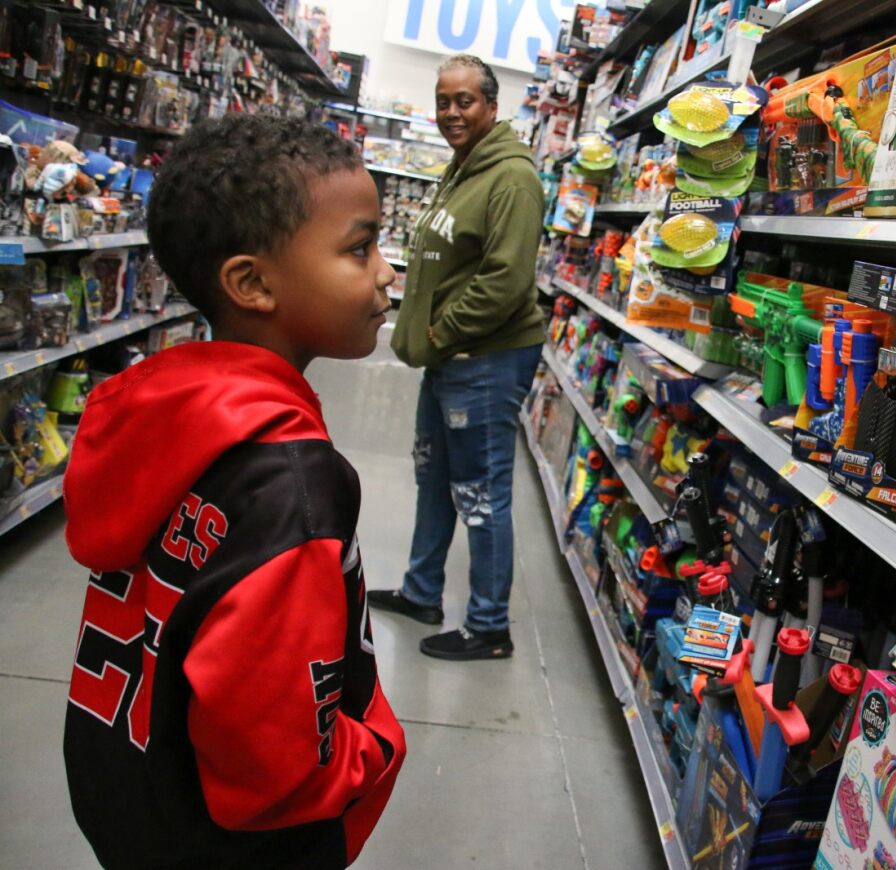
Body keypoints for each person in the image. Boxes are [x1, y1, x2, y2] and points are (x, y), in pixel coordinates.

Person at [62, 113, 405, 868]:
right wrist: (374, 745)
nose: (386, 271)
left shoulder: (163, 426)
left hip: (137, 798)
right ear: (252, 282)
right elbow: (274, 771)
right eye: (359, 247)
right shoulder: (293, 487)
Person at [373, 54, 546, 661]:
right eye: (443, 100)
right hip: (451, 357)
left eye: (464, 101)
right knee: (434, 478)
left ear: (492, 107)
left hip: (486, 359)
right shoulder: (463, 168)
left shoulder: (512, 178)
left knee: (481, 494)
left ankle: (489, 626)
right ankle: (422, 591)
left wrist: (441, 331)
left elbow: (505, 280)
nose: (451, 112)